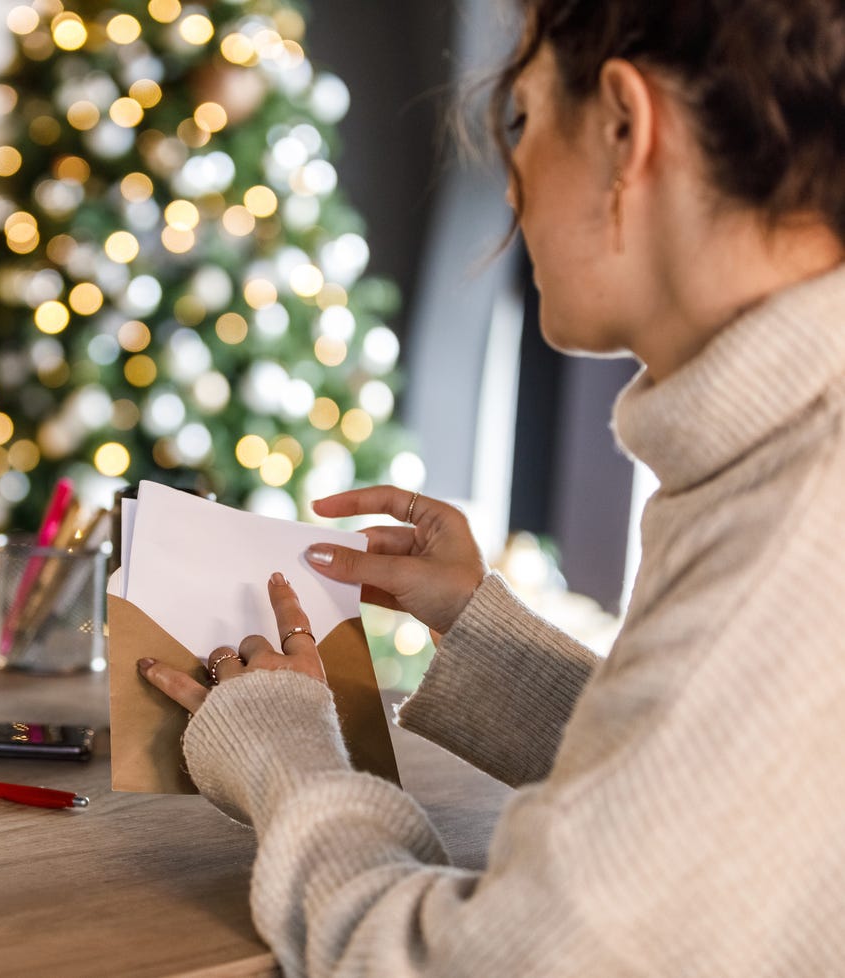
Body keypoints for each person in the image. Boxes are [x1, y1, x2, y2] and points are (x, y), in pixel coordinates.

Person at [139, 0, 845, 973]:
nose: (508, 187)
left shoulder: (791, 534)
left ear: (623, 128)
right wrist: (483, 634)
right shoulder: (784, 456)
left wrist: (279, 752)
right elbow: (719, 798)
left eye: (518, 120)